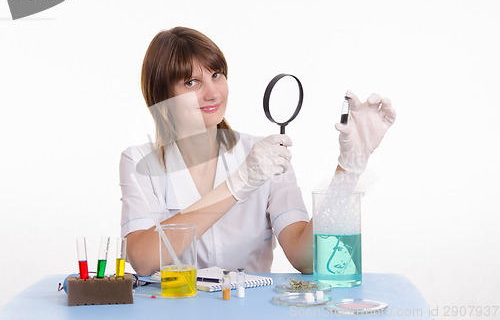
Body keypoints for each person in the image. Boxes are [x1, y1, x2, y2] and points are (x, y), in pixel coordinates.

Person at [119, 27, 396, 277]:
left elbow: (306, 258)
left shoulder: (265, 155)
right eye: (192, 82)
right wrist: (238, 184)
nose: (213, 93)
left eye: (216, 75)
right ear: (162, 97)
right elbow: (143, 260)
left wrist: (348, 168)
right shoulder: (139, 162)